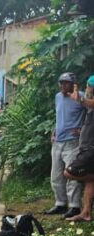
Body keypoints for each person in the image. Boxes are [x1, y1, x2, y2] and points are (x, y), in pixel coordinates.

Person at [45, 72, 87, 219]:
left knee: (72, 174)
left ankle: (74, 206)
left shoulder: (80, 97)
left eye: (67, 83)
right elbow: (59, 116)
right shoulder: (58, 97)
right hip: (57, 141)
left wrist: (82, 129)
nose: (63, 85)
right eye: (61, 82)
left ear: (74, 84)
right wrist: (54, 130)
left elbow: (91, 113)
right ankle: (60, 203)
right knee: (56, 175)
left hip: (73, 142)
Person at [65, 75, 94, 222]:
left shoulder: (89, 102)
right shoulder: (89, 106)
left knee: (69, 172)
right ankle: (86, 212)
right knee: (90, 181)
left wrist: (80, 99)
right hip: (86, 147)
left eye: (88, 86)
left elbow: (90, 103)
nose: (86, 89)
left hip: (91, 150)